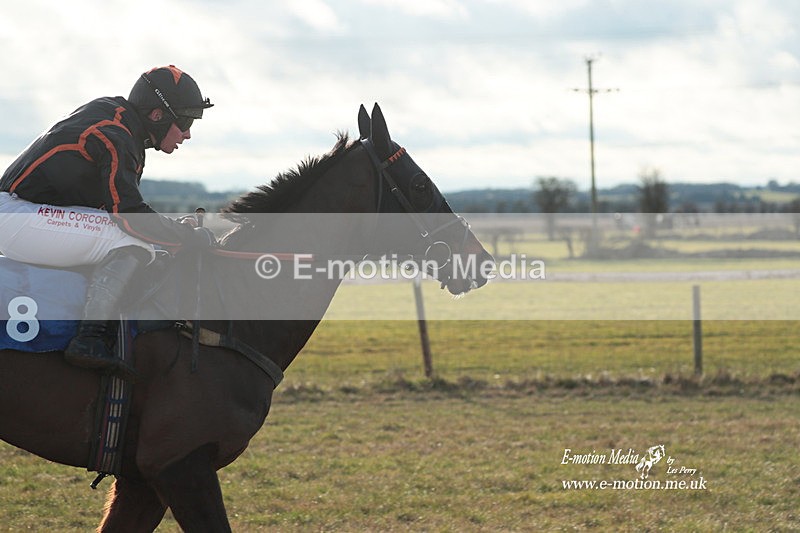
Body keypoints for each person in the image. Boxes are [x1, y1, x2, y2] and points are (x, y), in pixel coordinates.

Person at [0, 65, 216, 379]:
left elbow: (118, 210)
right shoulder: (116, 134)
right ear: (157, 115)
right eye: (184, 121)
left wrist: (171, 230)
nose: (187, 133)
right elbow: (128, 217)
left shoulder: (120, 122)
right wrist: (187, 237)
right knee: (132, 241)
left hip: (24, 212)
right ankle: (89, 339)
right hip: (15, 215)